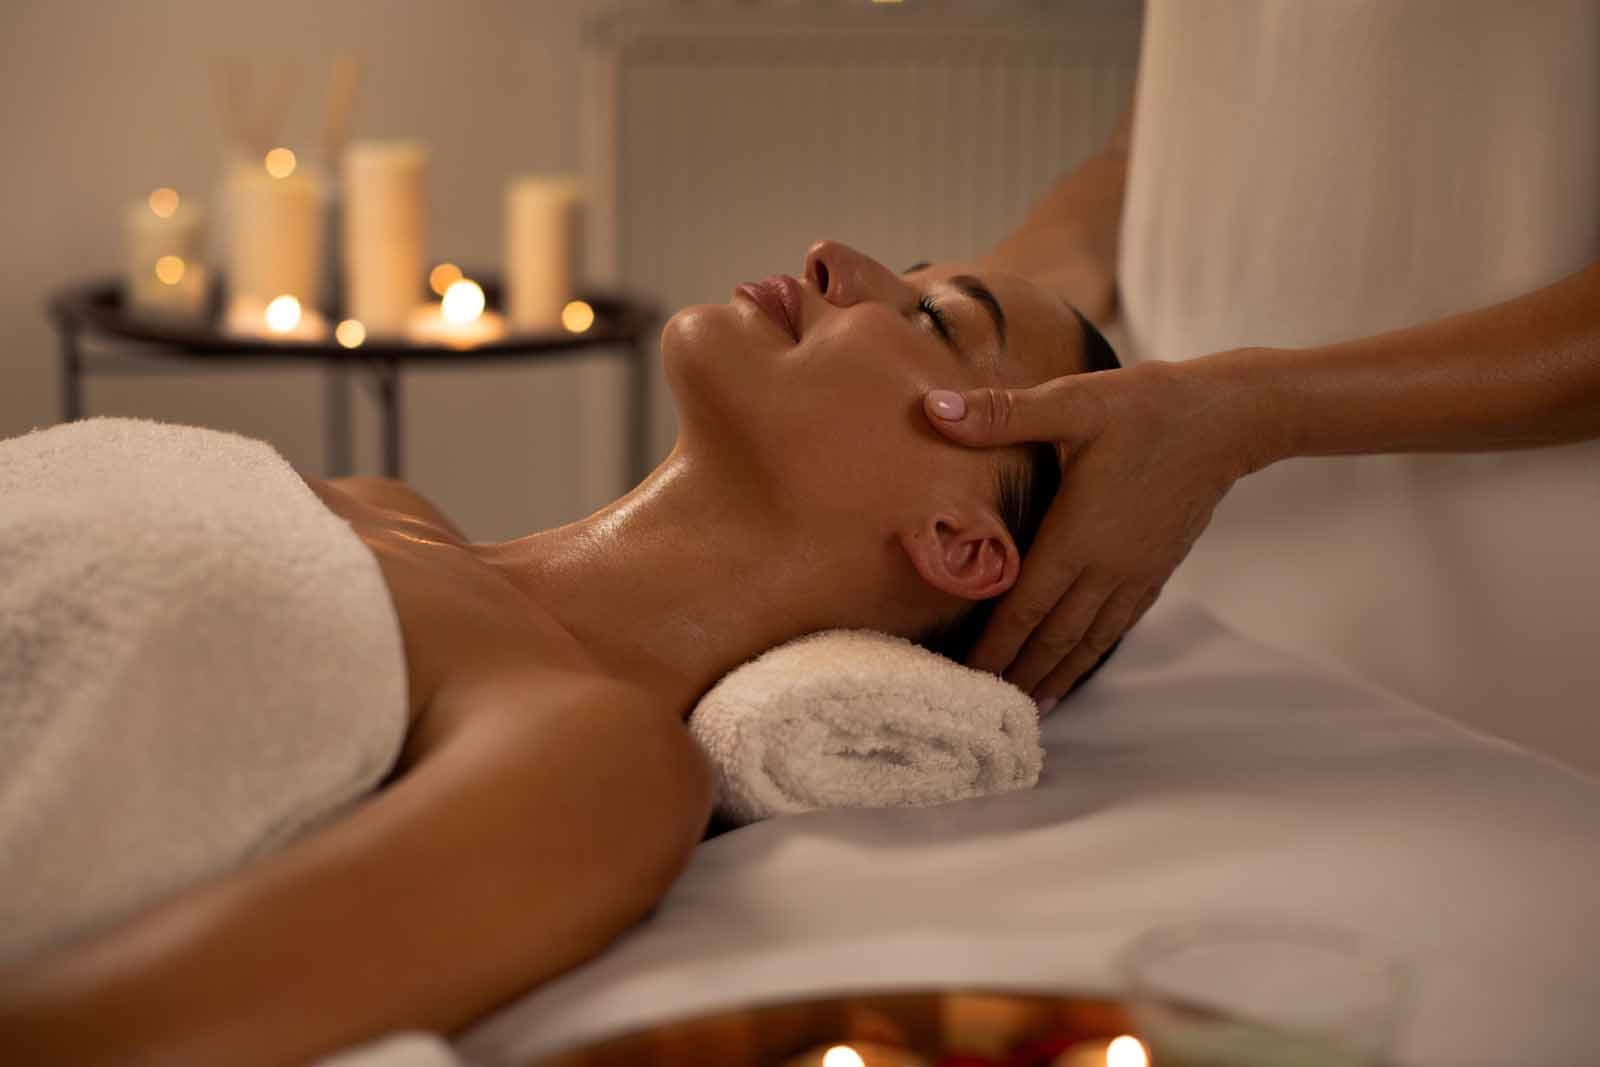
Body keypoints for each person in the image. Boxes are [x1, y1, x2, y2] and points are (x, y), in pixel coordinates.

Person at [0, 239, 1109, 1065]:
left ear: (960, 543)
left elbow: (115, 1036)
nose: (834, 257)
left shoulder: (598, 754)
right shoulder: (384, 507)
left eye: (933, 318)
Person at [920, 2, 1600, 743]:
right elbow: (1147, 153)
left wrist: (1250, 413)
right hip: (1170, 559)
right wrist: (995, 307)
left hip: (1499, 614)